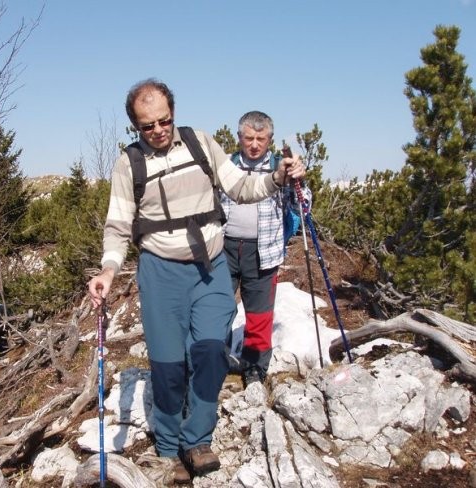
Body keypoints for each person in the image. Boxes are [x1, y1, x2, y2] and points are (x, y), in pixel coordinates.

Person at [87, 80, 305, 483]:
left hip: (210, 267)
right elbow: (117, 225)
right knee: (168, 364)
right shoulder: (129, 163)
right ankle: (168, 449)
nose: (158, 130)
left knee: (208, 351)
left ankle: (197, 440)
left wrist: (275, 177)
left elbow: (241, 186)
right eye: (147, 125)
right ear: (135, 125)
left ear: (174, 112)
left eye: (164, 120)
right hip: (160, 272)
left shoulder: (200, 143)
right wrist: (108, 270)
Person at [221, 110, 310, 387]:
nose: (254, 144)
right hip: (223, 249)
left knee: (259, 314)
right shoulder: (226, 166)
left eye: (261, 138)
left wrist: (299, 181)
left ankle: (254, 367)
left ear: (270, 139)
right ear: (239, 138)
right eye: (248, 138)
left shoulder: (280, 167)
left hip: (264, 250)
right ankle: (217, 360)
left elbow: (303, 207)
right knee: (218, 309)